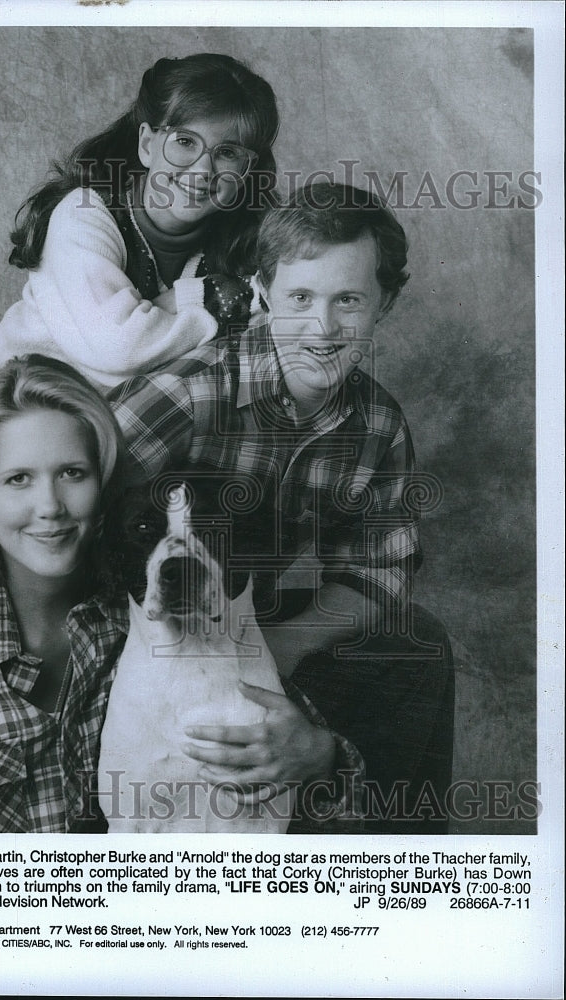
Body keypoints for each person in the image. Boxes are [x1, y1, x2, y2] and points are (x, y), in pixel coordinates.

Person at [0, 356, 361, 833]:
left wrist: (322, 757)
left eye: (72, 473)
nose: (51, 506)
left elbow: (295, 748)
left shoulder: (150, 616)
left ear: (104, 494)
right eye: (18, 479)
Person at [109, 183, 455, 832]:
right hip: (143, 623)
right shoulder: (184, 392)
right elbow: (73, 508)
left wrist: (283, 646)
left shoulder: (375, 424)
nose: (321, 329)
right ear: (262, 294)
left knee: (419, 646)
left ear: (385, 303)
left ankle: (393, 865)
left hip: (248, 614)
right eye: (299, 298)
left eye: (347, 300)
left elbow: (377, 568)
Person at [0, 53, 280, 389]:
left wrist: (160, 320)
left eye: (227, 153)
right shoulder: (85, 213)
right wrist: (210, 295)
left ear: (247, 171)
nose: (202, 171)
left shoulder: (246, 236)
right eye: (184, 142)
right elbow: (119, 349)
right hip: (27, 399)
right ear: (146, 144)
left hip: (132, 409)